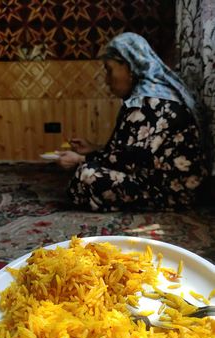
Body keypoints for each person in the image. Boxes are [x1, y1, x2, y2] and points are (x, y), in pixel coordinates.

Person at [57, 32, 208, 212]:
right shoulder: (149, 97)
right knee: (88, 171)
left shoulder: (150, 103)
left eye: (109, 70)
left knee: (86, 174)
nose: (107, 80)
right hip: (165, 182)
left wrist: (81, 159)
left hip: (173, 192)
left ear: (129, 67)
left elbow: (128, 161)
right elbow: (134, 151)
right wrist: (94, 148)